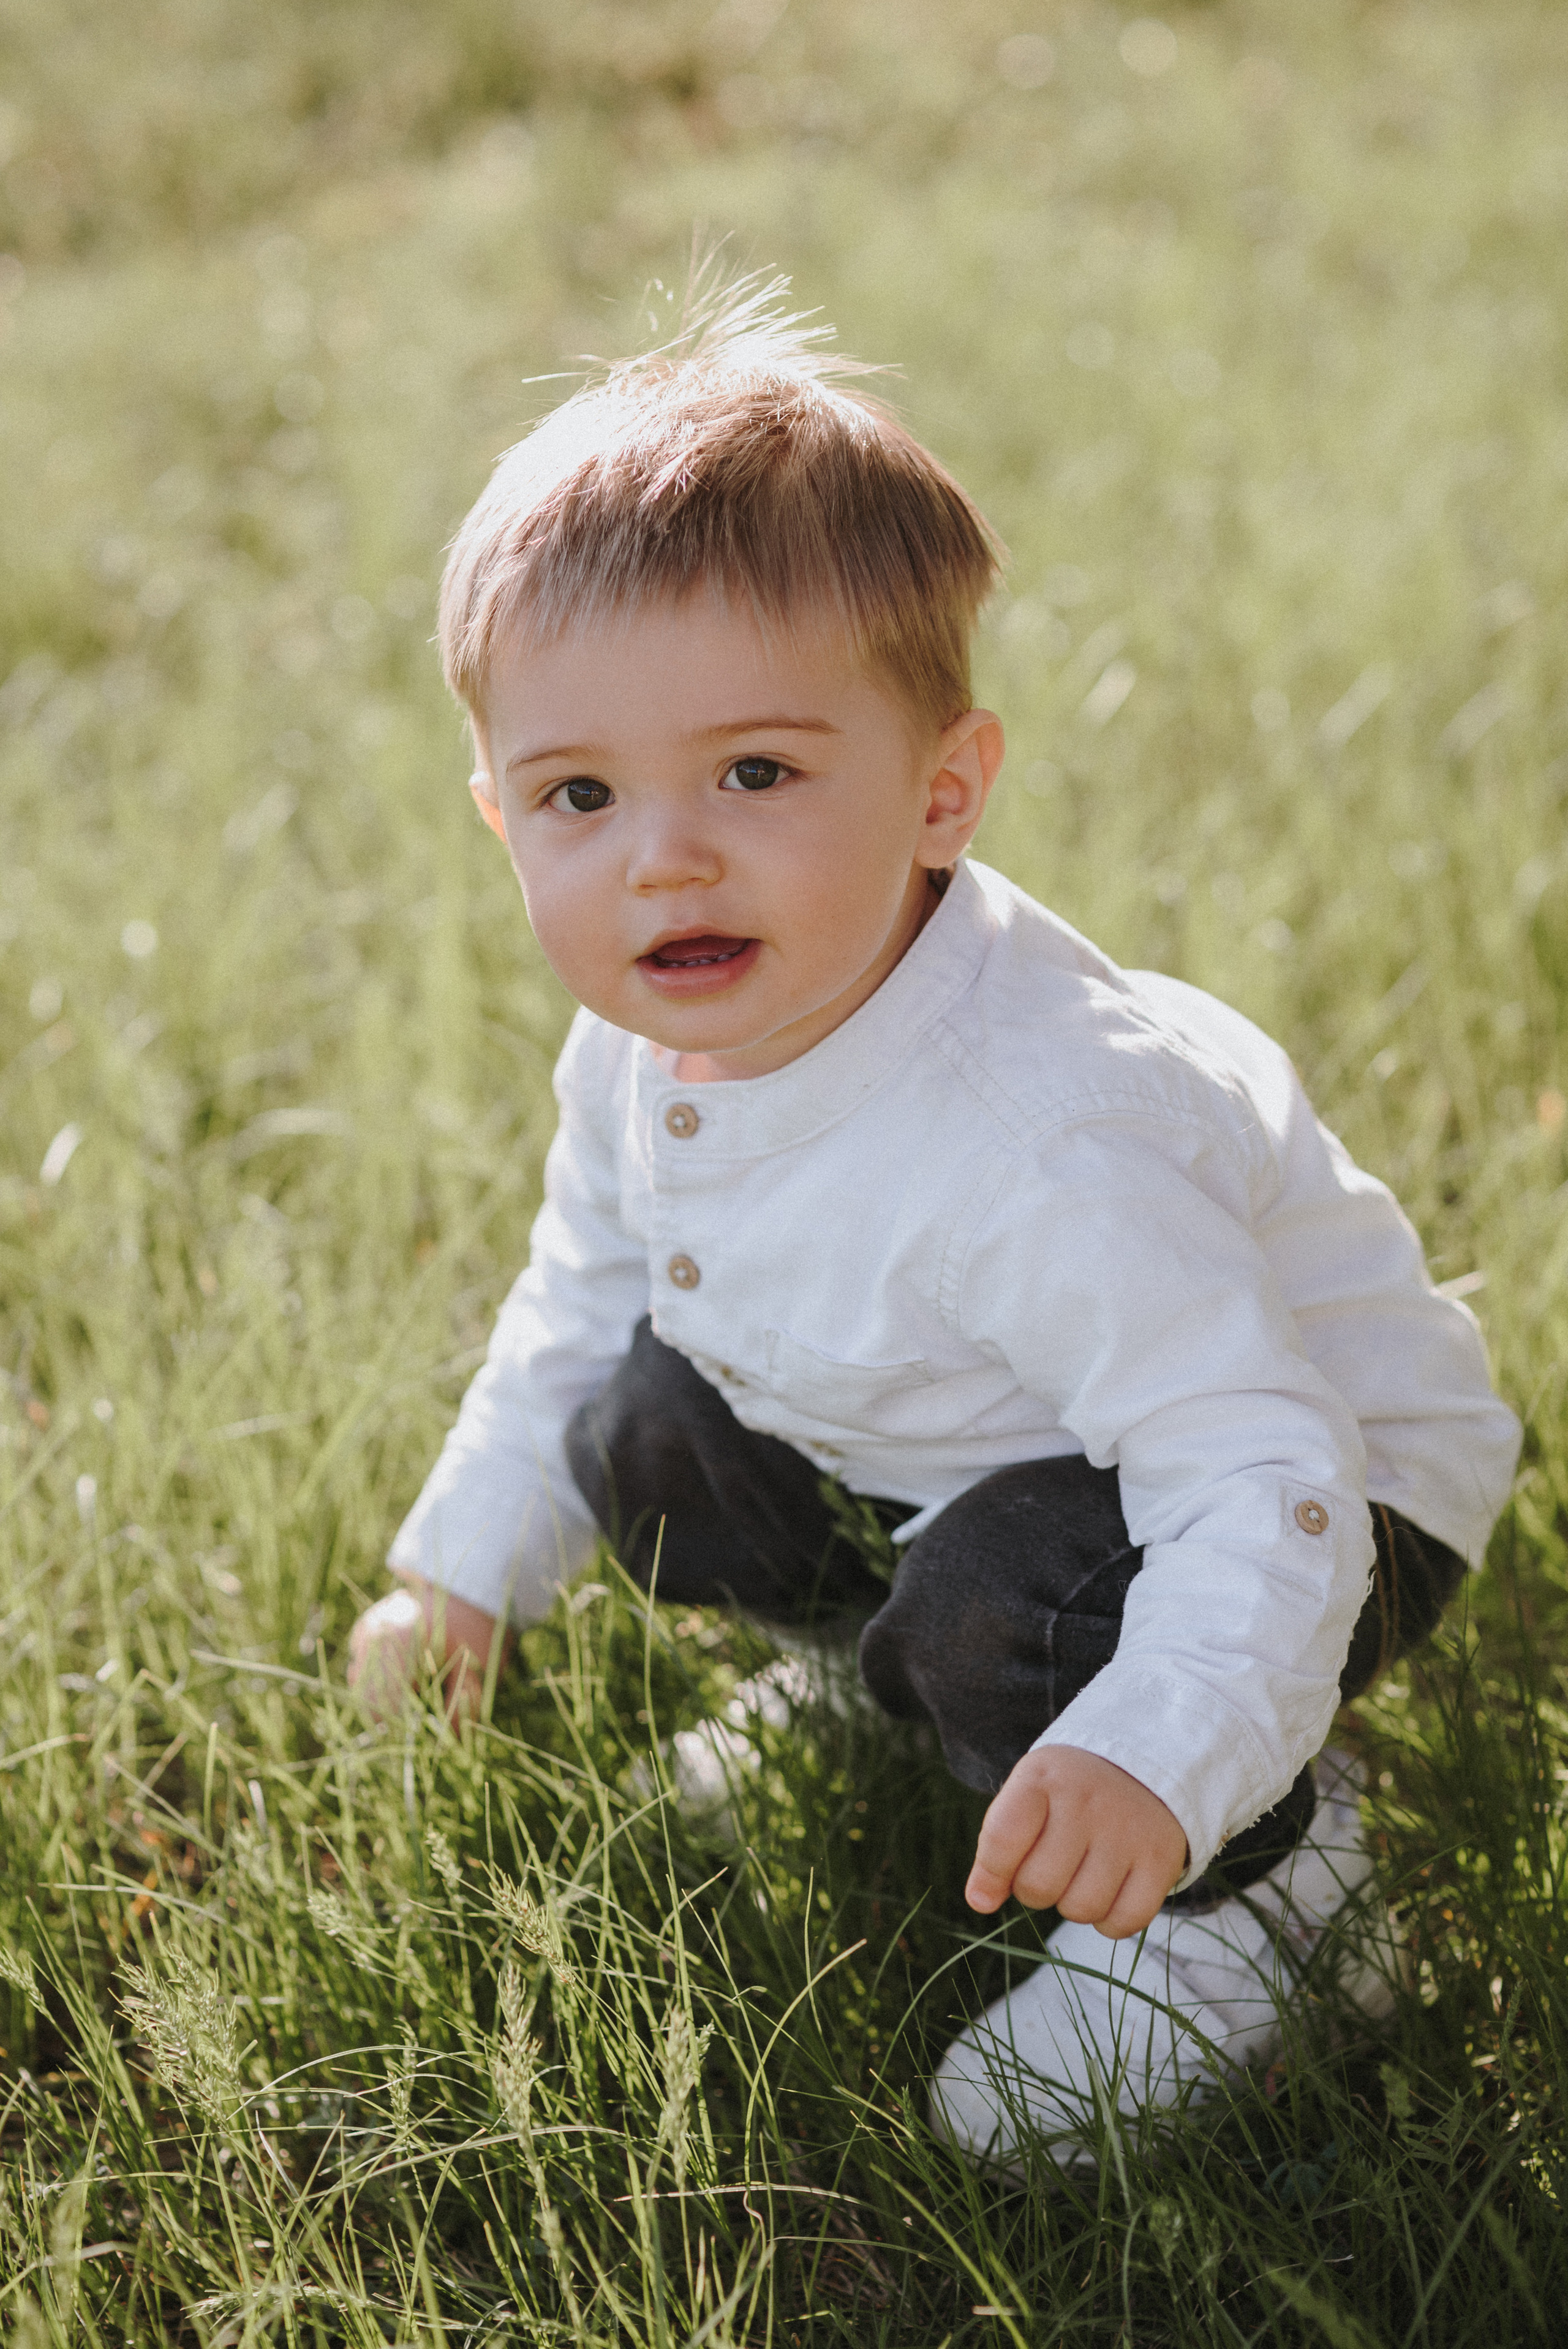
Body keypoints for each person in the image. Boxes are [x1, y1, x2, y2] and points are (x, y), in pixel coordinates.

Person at [347, 272, 1520, 2169]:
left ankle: (1271, 1897)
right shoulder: (647, 1039)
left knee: (1007, 1601)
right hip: (994, 1436)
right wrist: (463, 1566)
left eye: (756, 770)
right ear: (500, 815)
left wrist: (1165, 1750)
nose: (666, 854)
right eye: (582, 793)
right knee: (641, 1431)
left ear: (942, 792)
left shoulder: (1045, 1135)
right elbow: (578, 1292)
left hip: (1318, 1489)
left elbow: (1259, 1469)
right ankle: (880, 1675)